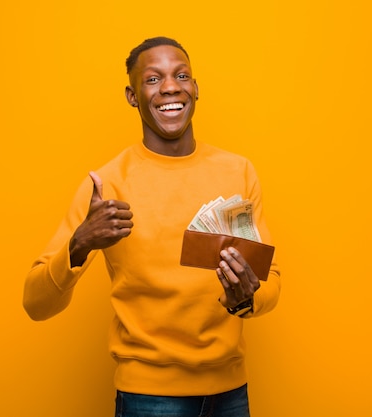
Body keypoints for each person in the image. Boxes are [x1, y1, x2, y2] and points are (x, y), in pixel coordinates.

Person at [23, 36, 281, 417]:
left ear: (196, 88)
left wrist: (247, 299)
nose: (171, 87)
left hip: (231, 392)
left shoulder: (237, 171)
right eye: (153, 79)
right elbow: (36, 304)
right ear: (132, 96)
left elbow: (271, 279)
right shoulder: (106, 186)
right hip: (148, 398)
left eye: (181, 76)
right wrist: (79, 245)